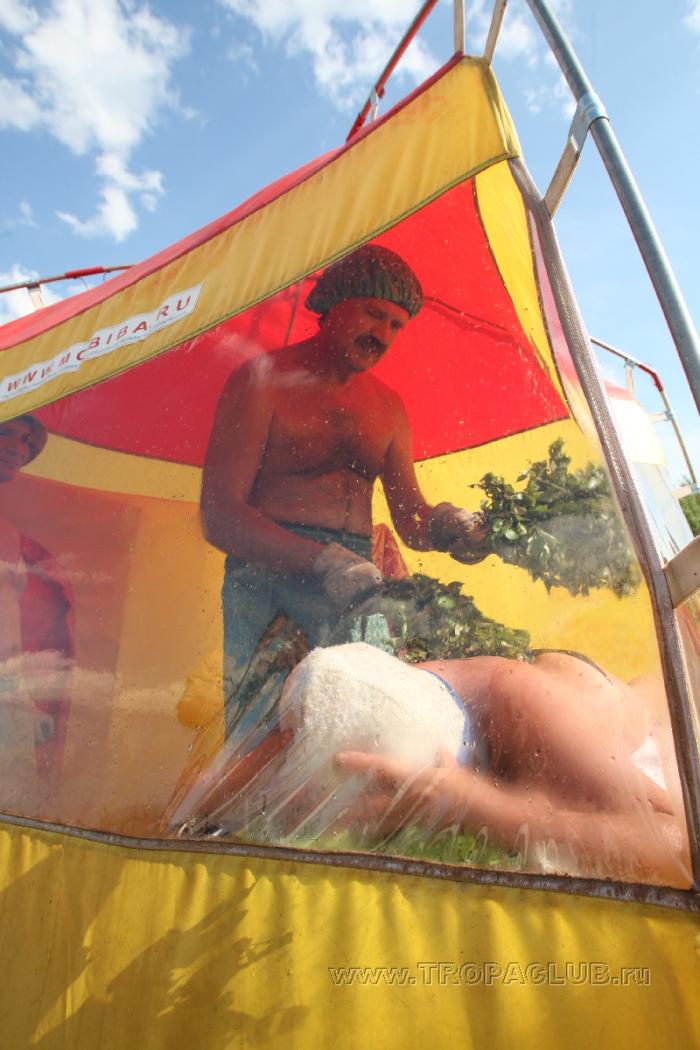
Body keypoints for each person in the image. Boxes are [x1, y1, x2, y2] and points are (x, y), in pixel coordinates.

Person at [201, 245, 488, 694]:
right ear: (334, 302)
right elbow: (219, 514)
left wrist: (449, 526)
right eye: (373, 314)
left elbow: (410, 520)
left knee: (361, 718)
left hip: (359, 586)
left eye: (396, 325)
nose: (383, 335)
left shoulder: (388, 407)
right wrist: (322, 561)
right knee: (274, 725)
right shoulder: (262, 380)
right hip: (268, 580)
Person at [0, 415, 73, 805]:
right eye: (5, 432)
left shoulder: (8, 532)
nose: (18, 448)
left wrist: (22, 700)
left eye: (26, 439)